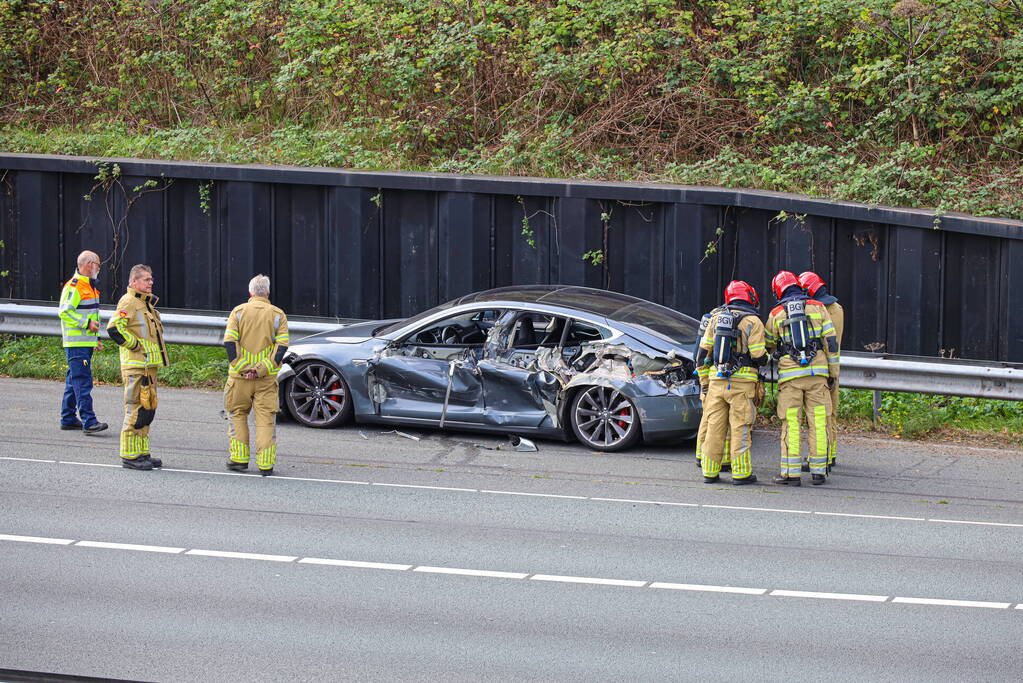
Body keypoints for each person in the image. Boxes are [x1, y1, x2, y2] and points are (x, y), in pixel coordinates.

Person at [765, 271, 839, 486]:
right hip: (817, 376)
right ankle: (818, 472)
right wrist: (832, 374)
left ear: (779, 290)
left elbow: (769, 342)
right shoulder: (818, 307)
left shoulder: (777, 312)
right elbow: (831, 343)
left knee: (792, 424)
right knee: (818, 422)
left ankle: (791, 473)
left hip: (790, 379)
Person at [698, 281, 767, 485]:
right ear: (749, 296)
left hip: (717, 382)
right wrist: (767, 359)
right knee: (740, 428)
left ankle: (709, 472)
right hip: (742, 385)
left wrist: (705, 382)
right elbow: (757, 354)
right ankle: (741, 473)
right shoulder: (753, 321)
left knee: (714, 428)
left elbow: (703, 354)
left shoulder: (716, 318)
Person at [223, 275, 289, 476]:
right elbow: (281, 348)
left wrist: (245, 369)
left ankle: (239, 460)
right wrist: (260, 369)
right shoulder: (278, 315)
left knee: (237, 416)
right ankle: (266, 465)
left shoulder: (238, 312)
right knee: (265, 420)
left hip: (239, 379)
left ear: (250, 292)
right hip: (266, 379)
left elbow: (229, 345)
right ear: (267, 293)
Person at [106, 264, 167, 470]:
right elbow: (114, 329)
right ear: (134, 282)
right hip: (136, 366)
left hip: (149, 367)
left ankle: (142, 453)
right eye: (146, 280)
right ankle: (130, 456)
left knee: (148, 410)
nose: (151, 283)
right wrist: (135, 345)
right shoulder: (129, 301)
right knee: (135, 410)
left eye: (151, 279)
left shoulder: (145, 304)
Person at [58, 251, 108, 433]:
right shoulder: (75, 286)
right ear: (89, 264)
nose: (99, 269)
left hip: (85, 342)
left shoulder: (90, 286)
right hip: (76, 343)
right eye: (98, 265)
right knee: (82, 382)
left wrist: (96, 338)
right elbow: (64, 312)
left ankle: (68, 418)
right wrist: (86, 324)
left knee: (74, 381)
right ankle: (89, 421)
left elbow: (92, 315)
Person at [799, 271, 844, 468]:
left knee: (817, 416)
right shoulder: (837, 308)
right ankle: (830, 454)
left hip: (818, 370)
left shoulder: (817, 311)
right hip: (833, 367)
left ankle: (819, 457)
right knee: (830, 413)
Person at [693, 305, 731, 472]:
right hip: (716, 379)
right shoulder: (725, 320)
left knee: (707, 419)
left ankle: (701, 456)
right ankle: (715, 458)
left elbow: (699, 355)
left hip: (708, 376)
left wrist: (704, 382)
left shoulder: (711, 318)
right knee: (716, 422)